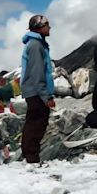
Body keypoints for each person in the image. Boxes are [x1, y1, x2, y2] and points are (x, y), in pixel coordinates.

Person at [20, 14, 55, 164]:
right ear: (39, 27)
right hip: (36, 92)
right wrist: (46, 96)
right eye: (47, 25)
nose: (50, 27)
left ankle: (30, 156)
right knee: (36, 124)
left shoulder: (36, 44)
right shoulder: (36, 45)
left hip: (34, 91)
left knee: (34, 122)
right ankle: (31, 158)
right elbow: (37, 73)